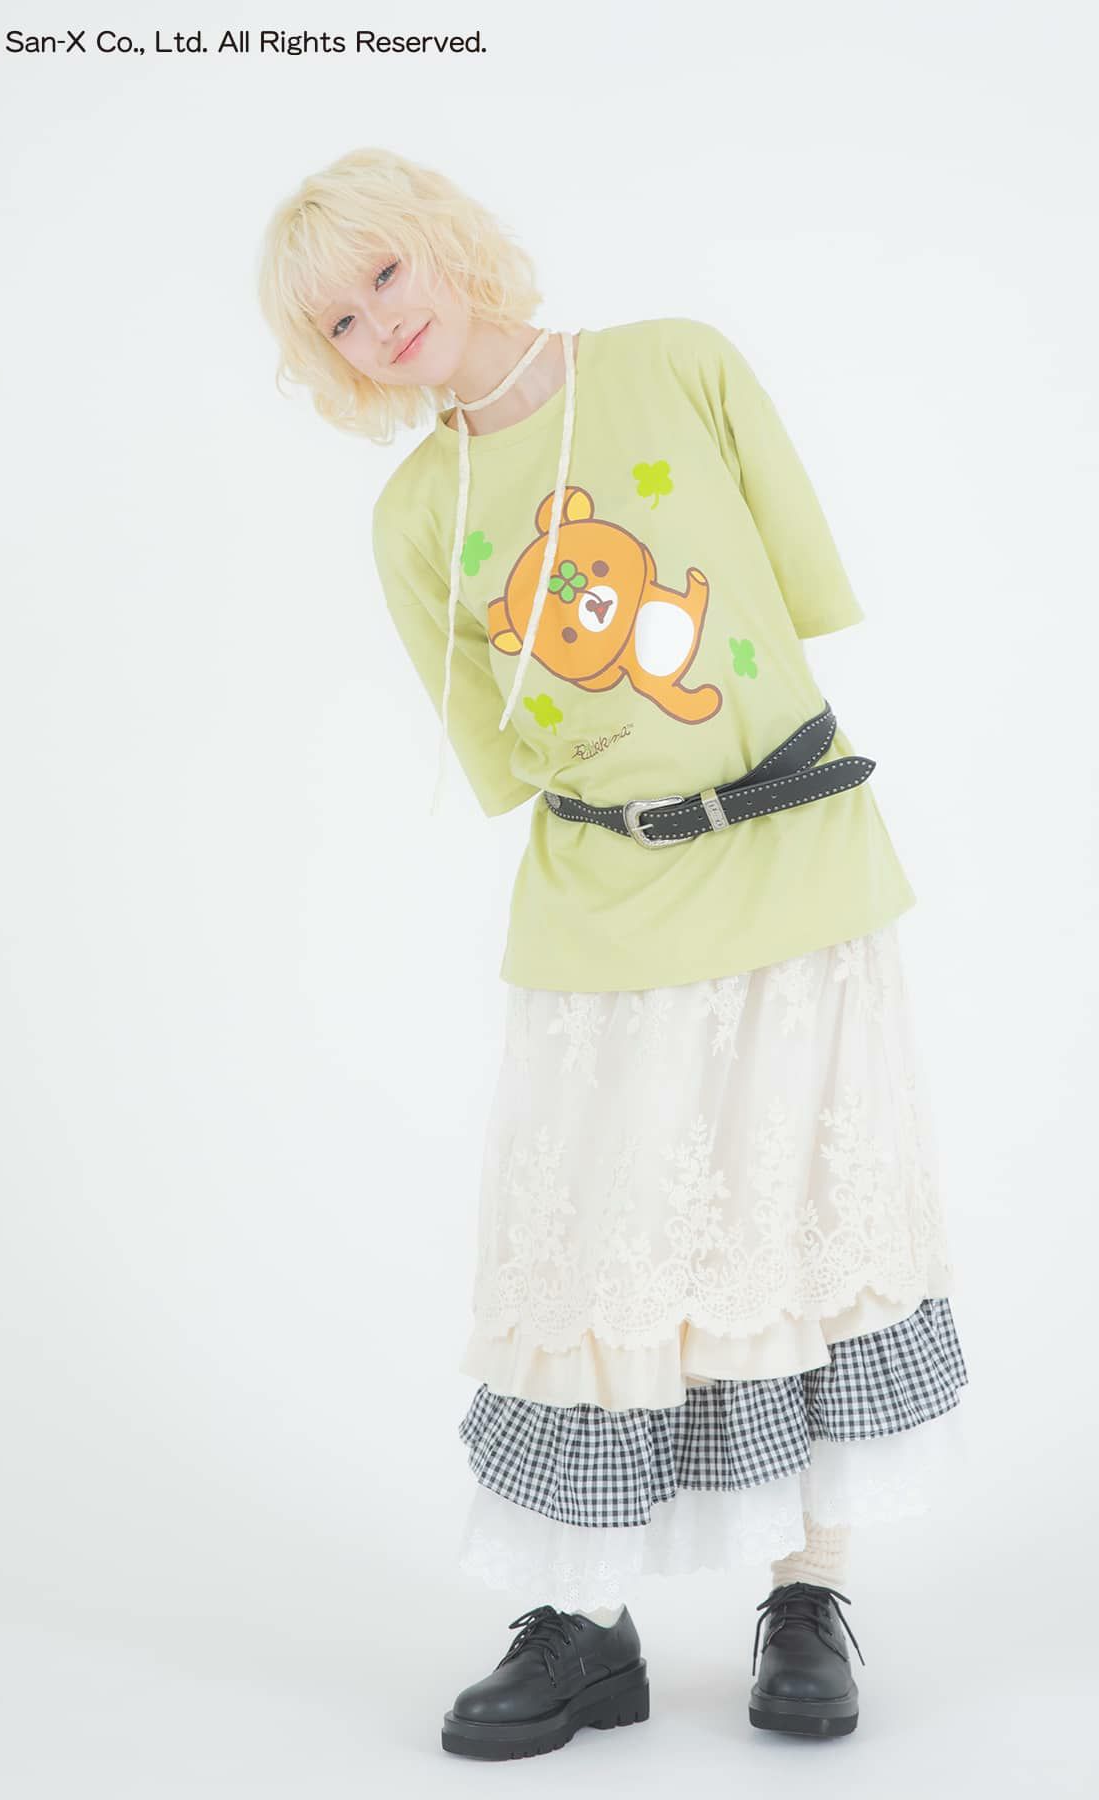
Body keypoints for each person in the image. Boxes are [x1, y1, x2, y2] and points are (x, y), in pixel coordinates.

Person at [256, 145, 968, 1760]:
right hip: (603, 903)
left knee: (803, 1216)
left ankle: (808, 1595)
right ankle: (584, 1622)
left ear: (443, 244)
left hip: (797, 861)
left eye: (384, 275)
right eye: (341, 324)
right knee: (591, 1258)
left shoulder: (679, 366)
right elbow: (509, 757)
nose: (381, 324)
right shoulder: (415, 516)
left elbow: (784, 612)